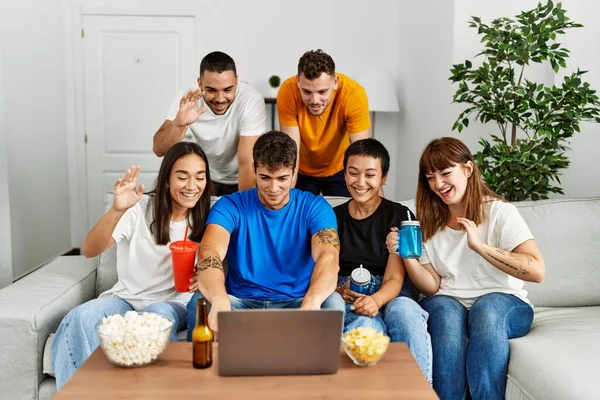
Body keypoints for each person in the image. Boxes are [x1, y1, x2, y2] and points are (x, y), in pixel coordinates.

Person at [386, 137, 545, 400]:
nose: (438, 184)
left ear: (468, 170)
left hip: (504, 302)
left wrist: (480, 247)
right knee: (443, 310)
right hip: (449, 300)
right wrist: (407, 255)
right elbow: (432, 285)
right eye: (430, 177)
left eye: (446, 173)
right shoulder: (425, 222)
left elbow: (537, 270)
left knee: (487, 309)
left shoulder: (499, 212)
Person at [52, 142, 213, 390]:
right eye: (182, 177)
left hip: (173, 304)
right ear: (167, 179)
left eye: (199, 178)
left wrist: (205, 272)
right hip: (125, 299)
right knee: (81, 317)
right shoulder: (138, 209)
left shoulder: (208, 216)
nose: (192, 186)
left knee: (157, 318)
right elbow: (89, 250)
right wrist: (117, 210)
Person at [186, 131, 345, 337]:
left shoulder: (315, 207)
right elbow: (210, 253)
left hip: (297, 303)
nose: (273, 188)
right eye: (265, 177)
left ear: (295, 171)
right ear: (254, 169)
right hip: (239, 302)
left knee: (333, 302)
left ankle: (319, 368)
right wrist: (219, 298)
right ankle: (199, 368)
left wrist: (312, 301)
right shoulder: (230, 205)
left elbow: (328, 258)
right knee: (199, 300)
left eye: (282, 178)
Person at [334, 138, 431, 382]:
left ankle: (418, 393)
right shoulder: (332, 217)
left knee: (404, 312)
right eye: (353, 173)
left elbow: (395, 277)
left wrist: (376, 300)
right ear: (344, 174)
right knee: (366, 330)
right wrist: (339, 290)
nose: (360, 182)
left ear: (384, 177)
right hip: (352, 294)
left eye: (370, 174)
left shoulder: (401, 215)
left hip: (393, 291)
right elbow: (324, 268)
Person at [153, 51, 267, 195]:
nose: (220, 99)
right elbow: (159, 149)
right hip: (207, 178)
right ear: (200, 84)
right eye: (211, 90)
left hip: (243, 179)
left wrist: (243, 210)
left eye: (228, 89)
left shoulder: (251, 100)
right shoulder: (188, 98)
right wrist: (179, 123)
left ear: (236, 81)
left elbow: (246, 162)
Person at [277, 49, 370, 196]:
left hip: (339, 168)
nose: (315, 100)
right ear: (298, 82)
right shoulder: (288, 91)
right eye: (307, 92)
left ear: (335, 83)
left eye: (322, 92)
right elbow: (291, 151)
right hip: (300, 169)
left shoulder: (353, 94)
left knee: (345, 214)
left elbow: (363, 155)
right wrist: (286, 198)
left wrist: (375, 206)